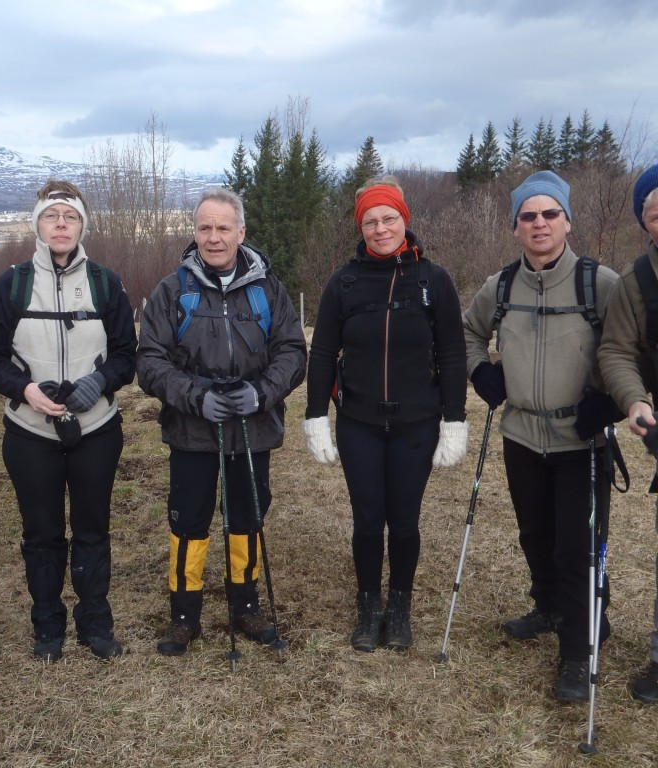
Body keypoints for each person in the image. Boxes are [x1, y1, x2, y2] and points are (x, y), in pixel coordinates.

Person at [462, 170, 620, 702]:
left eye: (550, 213)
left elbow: (635, 351)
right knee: (535, 534)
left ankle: (578, 650)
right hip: (521, 434)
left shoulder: (601, 284)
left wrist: (613, 400)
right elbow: (466, 333)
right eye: (528, 216)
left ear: (568, 221)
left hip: (582, 439)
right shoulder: (500, 287)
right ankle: (550, 606)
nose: (539, 224)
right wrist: (479, 370)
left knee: (578, 548)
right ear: (514, 227)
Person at [138, 188, 306, 657]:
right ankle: (184, 615)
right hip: (193, 429)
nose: (214, 238)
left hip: (252, 428)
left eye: (223, 228)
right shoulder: (173, 290)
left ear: (241, 232)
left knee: (247, 517)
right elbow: (149, 361)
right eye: (205, 228)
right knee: (188, 520)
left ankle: (245, 604)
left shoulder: (268, 288)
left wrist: (262, 392)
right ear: (194, 233)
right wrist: (196, 396)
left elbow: (293, 351)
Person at [303, 176, 468, 653]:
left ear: (404, 219)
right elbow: (322, 353)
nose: (380, 229)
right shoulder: (344, 281)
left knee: (406, 519)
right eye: (371, 221)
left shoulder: (433, 280)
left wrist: (454, 419)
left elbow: (454, 354)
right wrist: (316, 416)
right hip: (359, 422)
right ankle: (368, 605)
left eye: (389, 218)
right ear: (361, 226)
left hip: (417, 422)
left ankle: (399, 607)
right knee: (367, 519)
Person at [0, 180, 136, 662]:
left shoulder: (107, 283)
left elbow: (128, 355)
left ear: (83, 225)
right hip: (30, 433)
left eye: (70, 216)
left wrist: (100, 382)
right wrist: (24, 389)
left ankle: (94, 621)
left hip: (95, 430)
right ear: (38, 226)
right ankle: (48, 626)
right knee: (41, 533)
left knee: (92, 528)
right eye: (52, 216)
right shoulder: (12, 283)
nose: (61, 224)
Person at [597, 163, 658, 703]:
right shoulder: (636, 283)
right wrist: (634, 400)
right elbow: (616, 351)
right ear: (644, 219)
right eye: (655, 209)